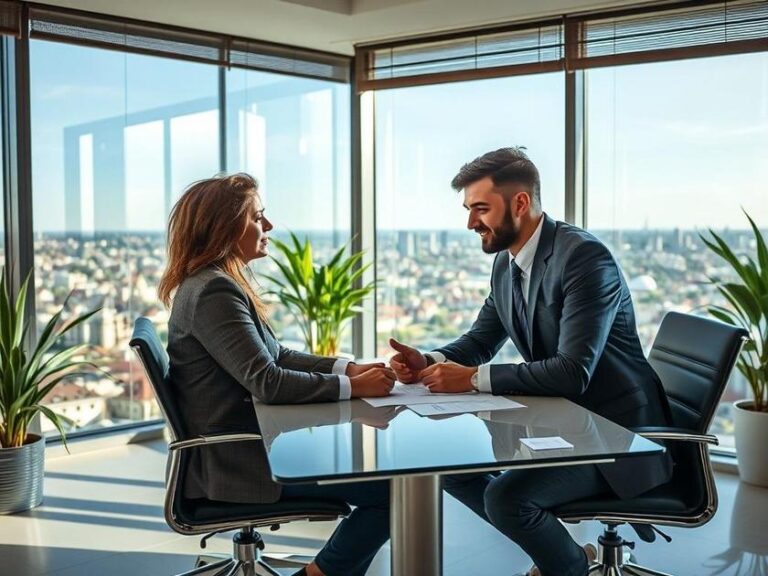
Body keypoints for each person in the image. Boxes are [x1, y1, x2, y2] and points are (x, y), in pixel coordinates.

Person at [389, 147, 673, 576]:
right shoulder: (507, 263)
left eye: (480, 208)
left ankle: (569, 565)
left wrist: (470, 380)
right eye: (468, 209)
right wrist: (428, 360)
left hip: (617, 436)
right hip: (566, 423)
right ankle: (563, 552)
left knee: (506, 498)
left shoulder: (583, 258)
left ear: (520, 203)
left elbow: (571, 372)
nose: (469, 223)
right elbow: (481, 339)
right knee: (451, 469)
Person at [158, 173, 395, 576]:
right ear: (224, 227)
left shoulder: (213, 282)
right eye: (258, 217)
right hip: (238, 464)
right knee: (391, 494)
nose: (268, 227)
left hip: (238, 451)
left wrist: (347, 368)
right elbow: (267, 381)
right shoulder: (213, 291)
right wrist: (354, 386)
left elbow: (277, 354)